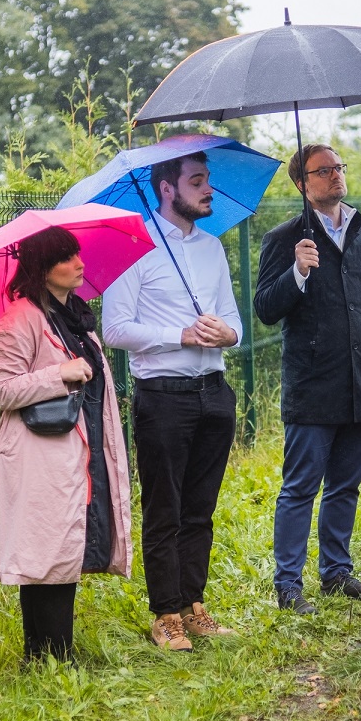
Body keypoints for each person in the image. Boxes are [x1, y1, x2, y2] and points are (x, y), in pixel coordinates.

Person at [254, 143, 361, 614]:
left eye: (338, 167)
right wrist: (297, 272)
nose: (335, 176)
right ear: (302, 185)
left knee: (345, 485)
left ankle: (336, 573)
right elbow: (265, 309)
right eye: (323, 171)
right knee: (301, 486)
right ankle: (288, 584)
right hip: (313, 384)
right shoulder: (284, 240)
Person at [101, 149, 241, 652]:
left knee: (201, 507)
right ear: (167, 189)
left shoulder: (213, 249)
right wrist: (179, 334)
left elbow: (235, 322)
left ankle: (194, 604)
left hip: (214, 393)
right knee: (166, 507)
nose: (208, 190)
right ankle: (166, 614)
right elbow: (115, 328)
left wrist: (227, 334)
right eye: (197, 181)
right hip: (163, 397)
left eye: (207, 180)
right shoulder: (134, 249)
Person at [0, 226, 133, 662]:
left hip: (75, 451)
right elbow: (3, 391)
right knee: (46, 550)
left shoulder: (75, 318)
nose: (79, 263)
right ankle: (49, 656)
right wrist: (59, 375)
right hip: (39, 454)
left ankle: (49, 654)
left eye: (77, 254)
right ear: (42, 268)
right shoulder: (19, 319)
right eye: (66, 257)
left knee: (60, 548)